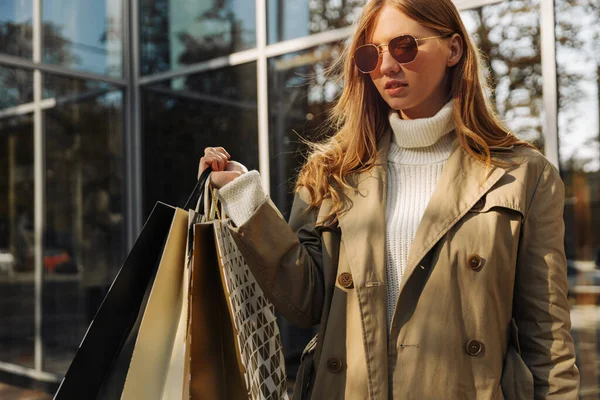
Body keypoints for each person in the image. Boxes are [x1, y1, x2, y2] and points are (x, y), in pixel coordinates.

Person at [198, 0, 579, 398]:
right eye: (370, 54)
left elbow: (547, 337)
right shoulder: (332, 174)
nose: (386, 66)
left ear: (453, 49)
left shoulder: (522, 175)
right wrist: (244, 197)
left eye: (404, 47)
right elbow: (304, 302)